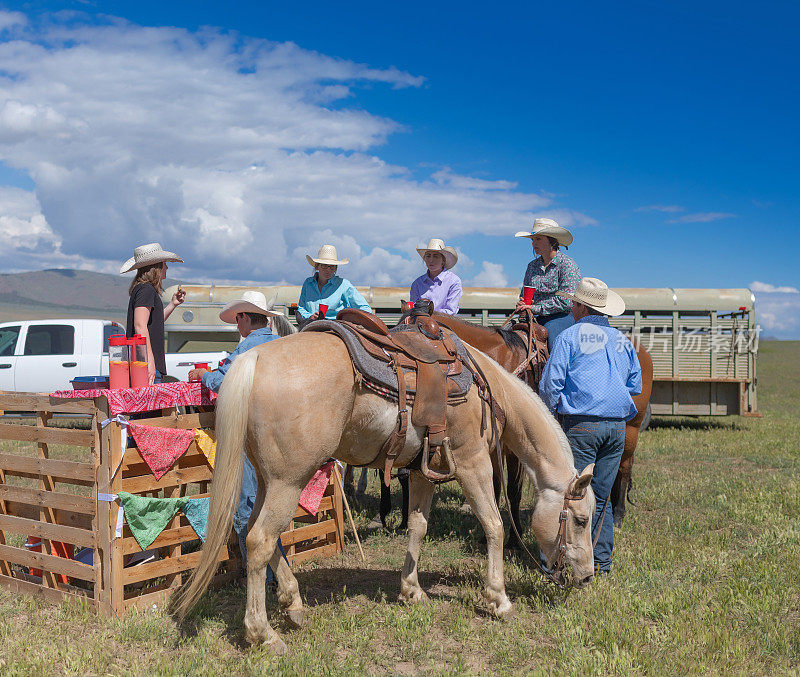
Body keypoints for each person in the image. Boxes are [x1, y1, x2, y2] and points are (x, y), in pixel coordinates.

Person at [539, 277, 642, 576]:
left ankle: (556, 564)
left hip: (581, 425)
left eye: (573, 303)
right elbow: (634, 385)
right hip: (616, 428)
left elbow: (550, 384)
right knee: (603, 495)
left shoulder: (570, 337)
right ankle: (602, 564)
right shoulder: (623, 341)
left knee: (571, 496)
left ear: (582, 307)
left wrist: (553, 410)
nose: (571, 308)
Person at [188, 291, 288, 581]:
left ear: (245, 317)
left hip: (251, 430)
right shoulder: (279, 343)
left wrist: (204, 375)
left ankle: (262, 577)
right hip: (278, 432)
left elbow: (222, 380)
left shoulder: (249, 347)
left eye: (237, 320)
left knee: (247, 503)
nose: (236, 326)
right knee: (269, 502)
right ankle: (276, 574)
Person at [121, 243, 186, 384]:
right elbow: (140, 326)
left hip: (143, 363)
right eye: (164, 264)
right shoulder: (146, 290)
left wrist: (172, 304)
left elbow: (152, 324)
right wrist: (149, 362)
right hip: (145, 365)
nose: (167, 267)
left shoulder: (143, 289)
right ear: (156, 267)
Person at [514, 218, 581, 350]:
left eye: (538, 239)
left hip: (560, 317)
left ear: (552, 240)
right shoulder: (532, 266)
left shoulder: (567, 265)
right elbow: (525, 294)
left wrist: (534, 308)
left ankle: (559, 369)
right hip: (533, 316)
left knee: (556, 344)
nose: (534, 243)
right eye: (532, 239)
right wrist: (523, 304)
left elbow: (566, 301)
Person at [296, 245, 371, 325]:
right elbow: (301, 308)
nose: (328, 270)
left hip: (336, 327)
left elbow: (365, 308)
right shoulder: (308, 283)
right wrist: (310, 317)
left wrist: (350, 318)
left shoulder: (344, 285)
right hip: (310, 324)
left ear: (336, 268)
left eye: (332, 267)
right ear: (317, 266)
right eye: (324, 266)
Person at [410, 238, 462, 315]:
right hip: (420, 323)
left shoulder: (453, 281)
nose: (431, 260)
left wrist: (427, 314)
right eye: (428, 256)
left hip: (444, 323)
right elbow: (412, 307)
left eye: (435, 256)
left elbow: (451, 310)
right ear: (425, 259)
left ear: (443, 260)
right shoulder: (417, 283)